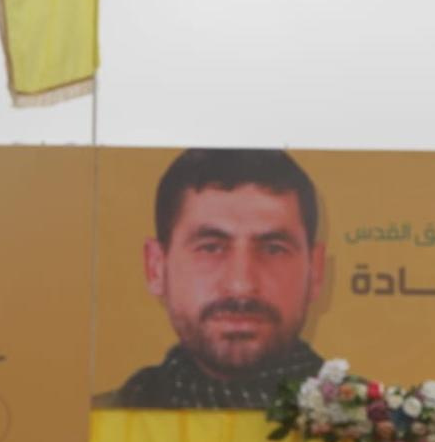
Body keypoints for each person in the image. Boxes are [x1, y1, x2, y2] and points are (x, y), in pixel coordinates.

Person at [96, 148, 326, 408]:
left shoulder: (365, 423)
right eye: (210, 248)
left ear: (315, 271)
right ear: (156, 267)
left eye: (274, 249)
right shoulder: (100, 421)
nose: (241, 286)